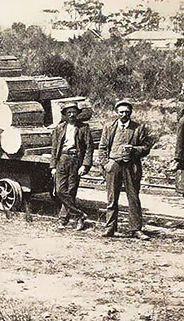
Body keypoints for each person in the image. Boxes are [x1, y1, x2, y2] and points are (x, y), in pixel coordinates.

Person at [98, 99, 153, 238]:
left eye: (127, 112)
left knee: (133, 198)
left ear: (131, 113)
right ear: (116, 112)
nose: (124, 114)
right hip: (113, 165)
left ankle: (136, 229)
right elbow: (102, 147)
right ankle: (110, 228)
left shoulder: (138, 128)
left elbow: (146, 148)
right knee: (112, 198)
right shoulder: (109, 127)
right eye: (121, 112)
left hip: (131, 166)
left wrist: (134, 149)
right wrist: (106, 164)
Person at [50, 103, 93, 230]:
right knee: (59, 190)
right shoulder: (59, 128)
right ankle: (79, 215)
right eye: (69, 112)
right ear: (65, 114)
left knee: (71, 190)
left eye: (74, 112)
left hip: (75, 160)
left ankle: (63, 219)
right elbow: (54, 148)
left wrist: (85, 165)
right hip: (62, 159)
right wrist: (53, 166)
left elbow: (89, 147)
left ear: (77, 113)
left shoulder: (84, 128)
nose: (71, 115)